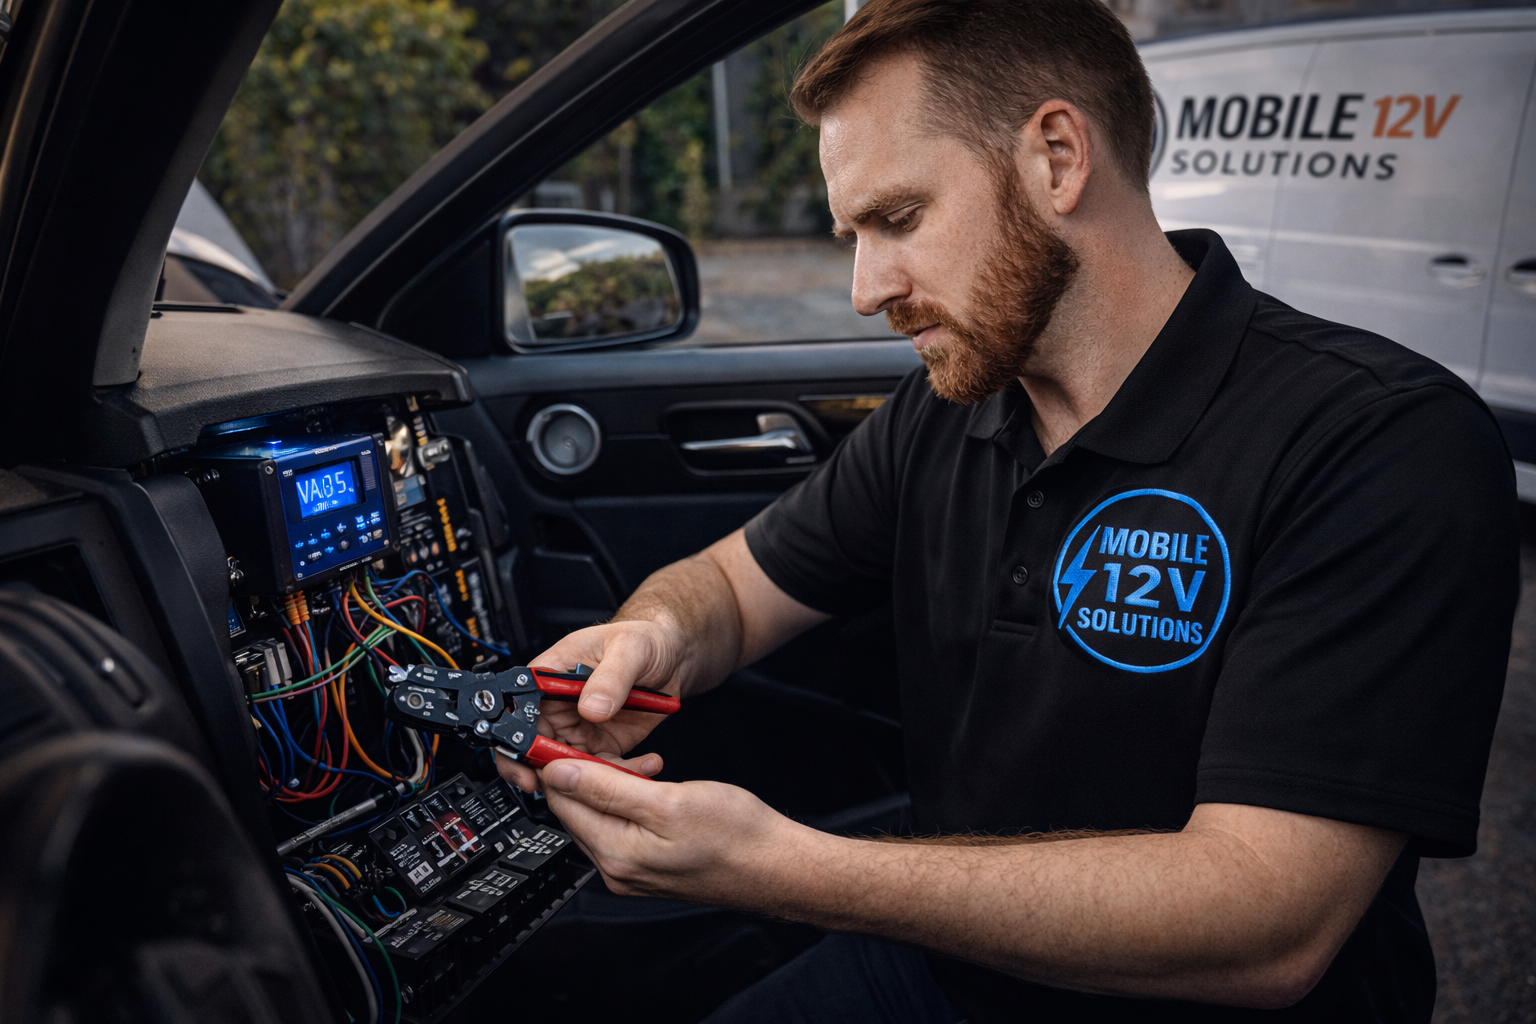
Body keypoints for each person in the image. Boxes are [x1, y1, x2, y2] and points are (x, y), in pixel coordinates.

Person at [495, 0, 1520, 1019]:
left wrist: (788, 867)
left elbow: (1270, 922)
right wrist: (650, 636)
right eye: (852, 233)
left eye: (897, 219)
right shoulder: (951, 412)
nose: (864, 288)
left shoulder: (1377, 444)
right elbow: (726, 584)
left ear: (1058, 158)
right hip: (949, 971)